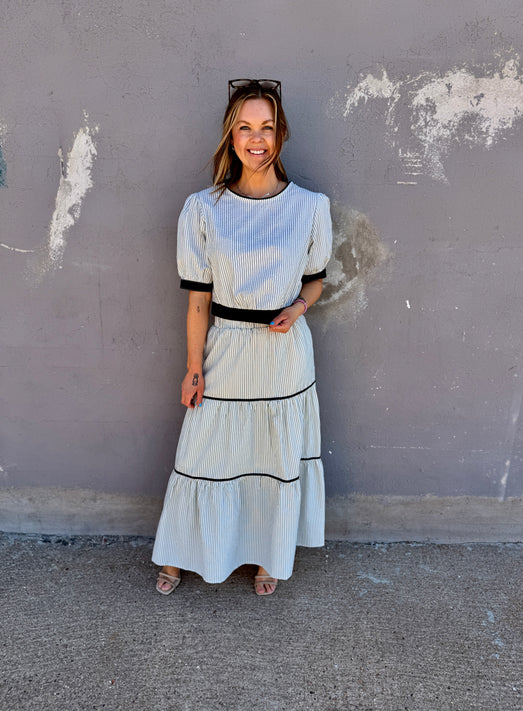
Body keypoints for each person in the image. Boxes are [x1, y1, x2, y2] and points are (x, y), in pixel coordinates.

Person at [152, 78, 332, 596]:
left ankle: (268, 555)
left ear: (281, 134)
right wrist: (193, 368)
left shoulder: (310, 206)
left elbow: (315, 279)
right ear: (231, 136)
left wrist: (298, 308)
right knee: (205, 452)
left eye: (267, 127)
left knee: (273, 458)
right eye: (245, 128)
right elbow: (198, 300)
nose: (257, 139)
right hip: (227, 345)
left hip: (284, 354)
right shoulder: (203, 208)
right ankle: (179, 553)